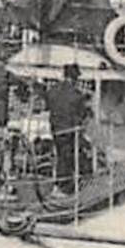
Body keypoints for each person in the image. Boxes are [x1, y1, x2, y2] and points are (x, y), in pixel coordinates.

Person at [44, 64, 90, 195]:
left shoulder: (53, 90)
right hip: (69, 130)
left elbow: (48, 105)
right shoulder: (77, 95)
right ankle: (63, 187)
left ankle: (63, 184)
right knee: (66, 158)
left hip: (55, 129)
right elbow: (82, 114)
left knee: (60, 155)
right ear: (74, 78)